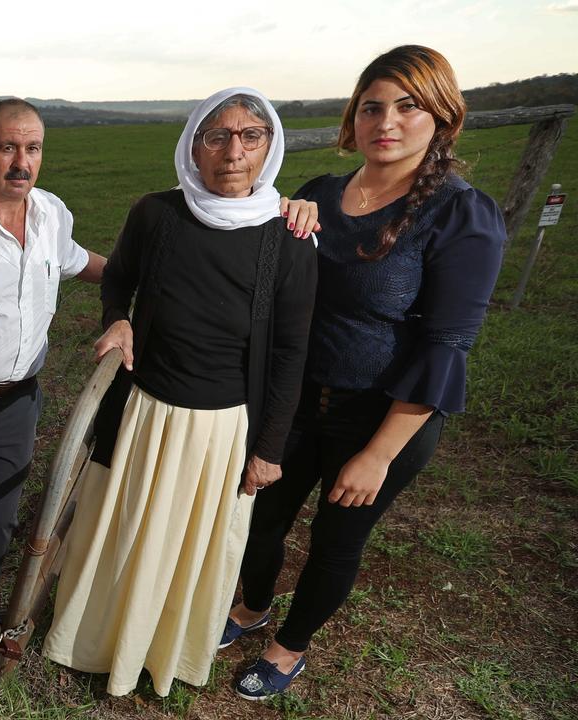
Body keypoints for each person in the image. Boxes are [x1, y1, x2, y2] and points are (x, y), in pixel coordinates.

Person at [227, 45, 506, 700]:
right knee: (260, 519)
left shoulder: (461, 214)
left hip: (377, 415)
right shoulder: (320, 195)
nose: (388, 121)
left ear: (443, 116)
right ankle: (250, 606)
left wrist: (379, 454)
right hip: (293, 401)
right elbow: (266, 283)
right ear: (353, 119)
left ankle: (288, 647)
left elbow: (447, 344)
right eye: (373, 106)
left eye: (409, 106)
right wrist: (281, 222)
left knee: (335, 537)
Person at [41, 87, 319, 698]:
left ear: (270, 148)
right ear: (193, 144)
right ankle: (98, 639)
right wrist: (116, 316)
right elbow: (119, 277)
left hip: (220, 426)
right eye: (216, 135)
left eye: (251, 136)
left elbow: (290, 354)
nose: (232, 152)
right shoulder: (157, 214)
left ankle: (159, 649)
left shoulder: (289, 239)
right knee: (126, 527)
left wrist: (269, 448)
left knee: (190, 543)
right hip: (145, 410)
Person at [0, 98, 106, 618]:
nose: (21, 162)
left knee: (0, 511)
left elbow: (79, 263)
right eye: (9, 147)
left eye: (32, 148)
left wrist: (148, 277)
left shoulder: (52, 213)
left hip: (19, 399)